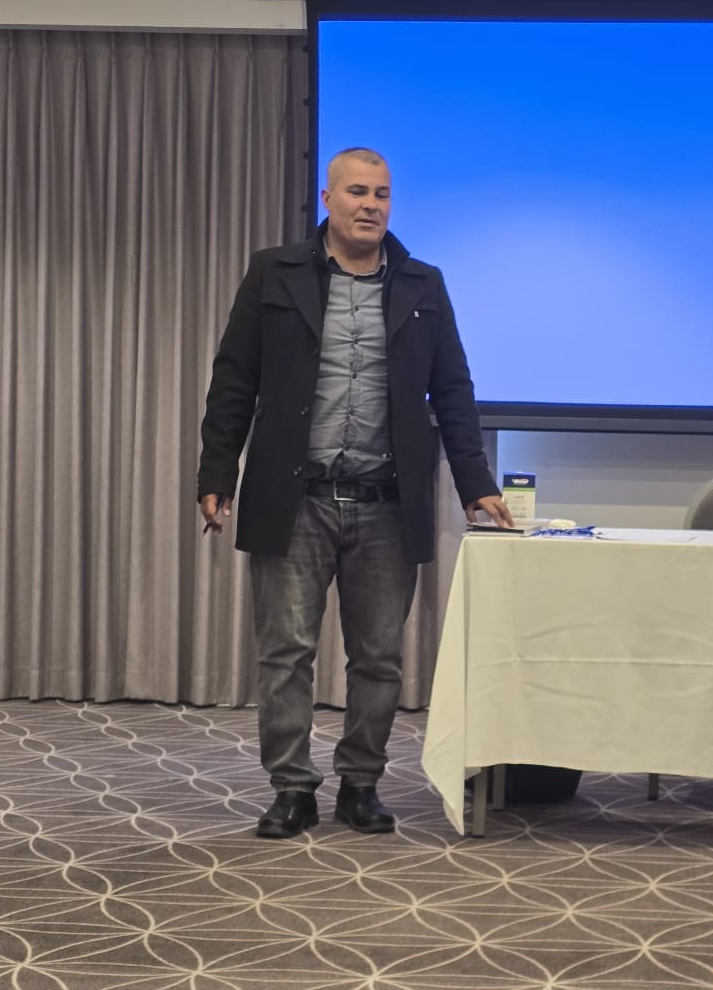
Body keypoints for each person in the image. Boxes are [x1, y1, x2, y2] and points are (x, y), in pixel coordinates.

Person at [197, 147, 511, 841]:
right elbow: (234, 378)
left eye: (383, 194)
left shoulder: (423, 284)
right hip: (295, 499)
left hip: (386, 503)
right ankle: (291, 788)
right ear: (328, 199)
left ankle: (361, 784)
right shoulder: (273, 272)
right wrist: (217, 473)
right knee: (285, 653)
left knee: (379, 658)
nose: (371, 205)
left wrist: (476, 484)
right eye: (358, 192)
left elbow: (453, 391)